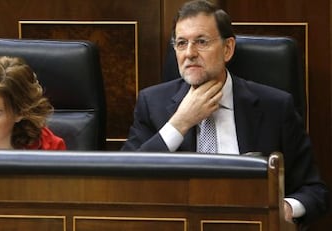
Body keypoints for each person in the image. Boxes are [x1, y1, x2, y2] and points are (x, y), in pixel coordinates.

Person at [121, 0, 329, 228]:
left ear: (228, 48)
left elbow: (314, 191)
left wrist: (286, 208)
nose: (190, 53)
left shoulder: (275, 107)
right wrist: (180, 123)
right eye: (181, 43)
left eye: (201, 42)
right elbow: (124, 181)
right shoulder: (152, 104)